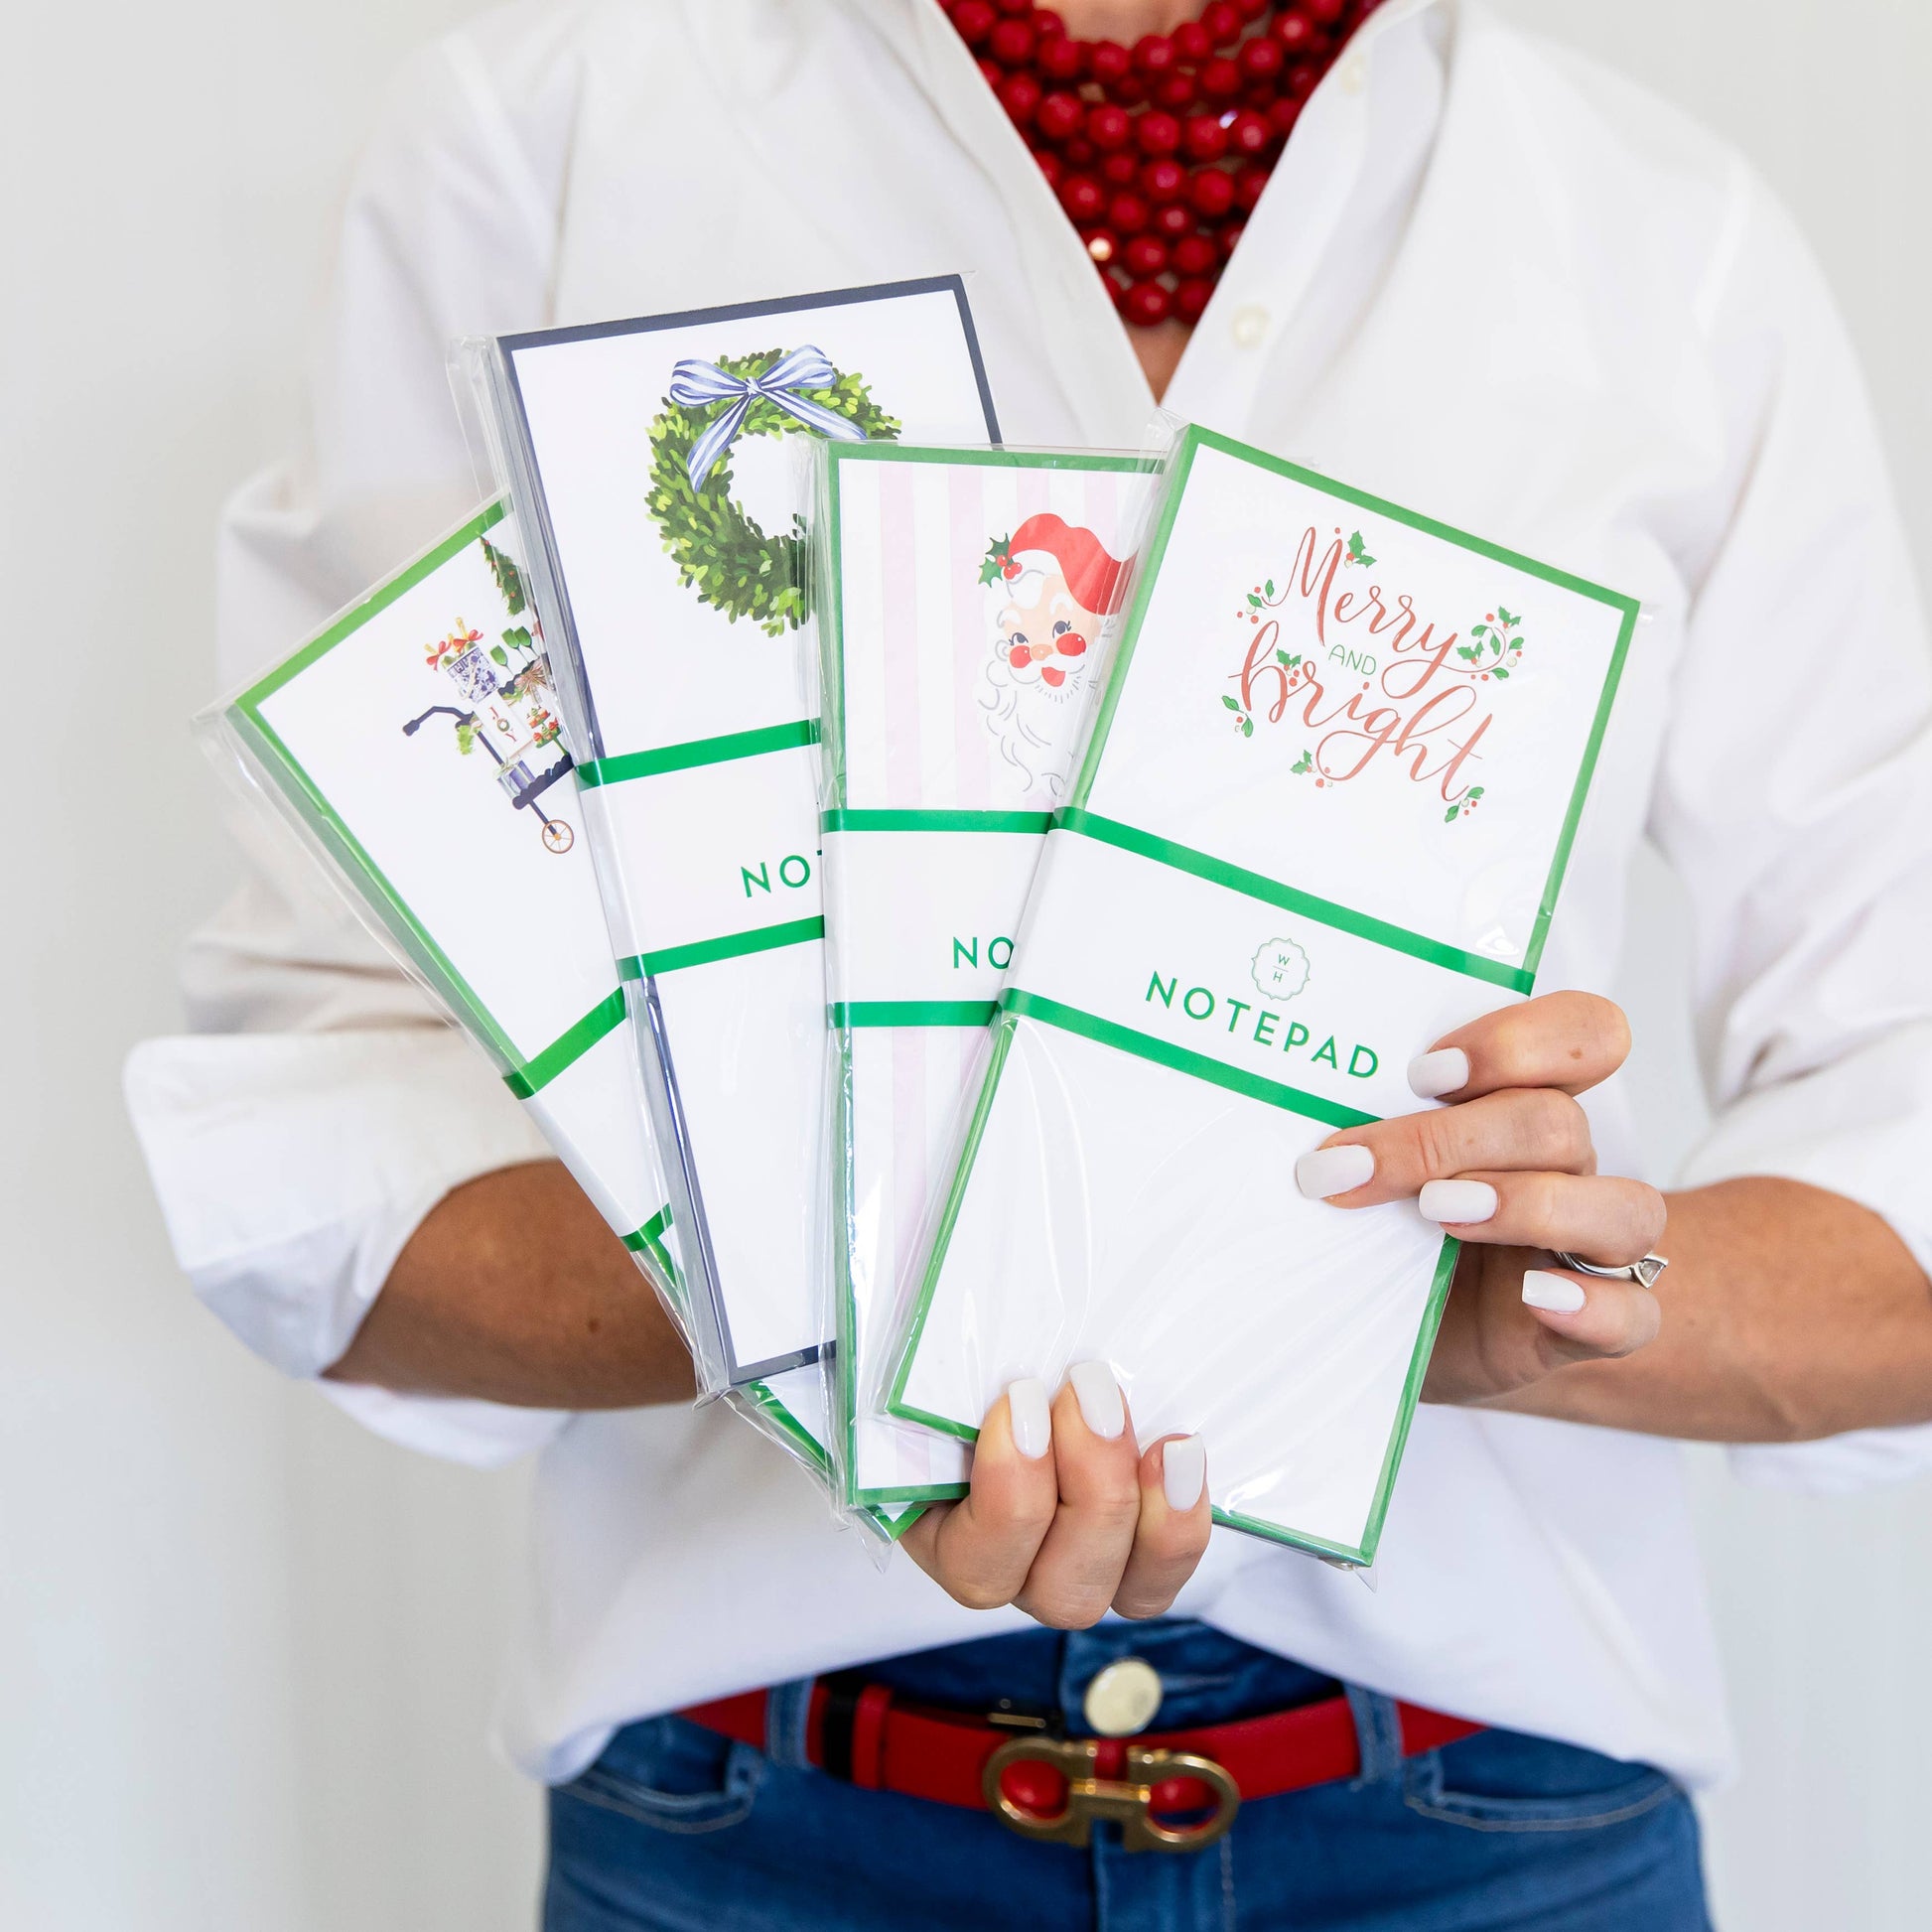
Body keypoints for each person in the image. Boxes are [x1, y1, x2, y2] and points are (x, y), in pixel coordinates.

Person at [125, 0, 1932, 1925]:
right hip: (770, 1833)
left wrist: (1482, 1310)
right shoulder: (546, 144)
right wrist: (927, 1300)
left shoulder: (1657, 235)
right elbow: (324, 1149)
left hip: (1483, 1833)